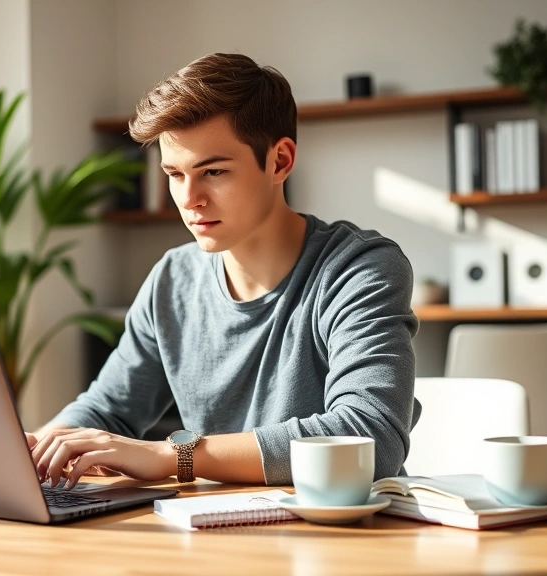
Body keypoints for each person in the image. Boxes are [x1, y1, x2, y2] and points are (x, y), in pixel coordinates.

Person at [27, 53, 419, 489]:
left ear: (280, 161)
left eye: (212, 171)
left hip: (342, 540)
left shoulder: (358, 269)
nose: (189, 198)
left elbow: (369, 437)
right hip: (213, 534)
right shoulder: (172, 279)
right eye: (174, 174)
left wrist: (173, 457)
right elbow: (106, 410)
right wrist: (36, 449)